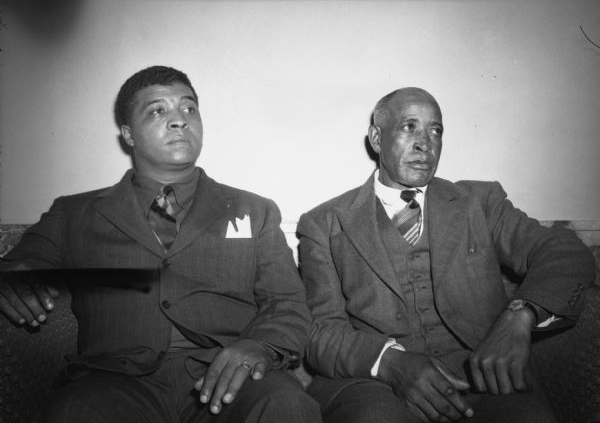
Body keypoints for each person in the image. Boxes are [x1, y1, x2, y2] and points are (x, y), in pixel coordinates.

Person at [0, 65, 321, 423]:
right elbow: (23, 262)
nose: (179, 120)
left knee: (287, 407)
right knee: (72, 415)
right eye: (157, 110)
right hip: (114, 382)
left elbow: (288, 302)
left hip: (230, 374)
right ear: (128, 135)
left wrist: (260, 344)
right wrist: (16, 275)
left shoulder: (254, 210)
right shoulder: (74, 212)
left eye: (189, 109)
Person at [296, 87, 595, 423]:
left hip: (480, 377)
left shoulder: (479, 202)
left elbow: (565, 251)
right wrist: (390, 362)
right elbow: (321, 333)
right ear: (377, 139)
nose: (425, 143)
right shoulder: (325, 222)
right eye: (409, 127)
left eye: (435, 130)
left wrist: (520, 314)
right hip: (372, 383)